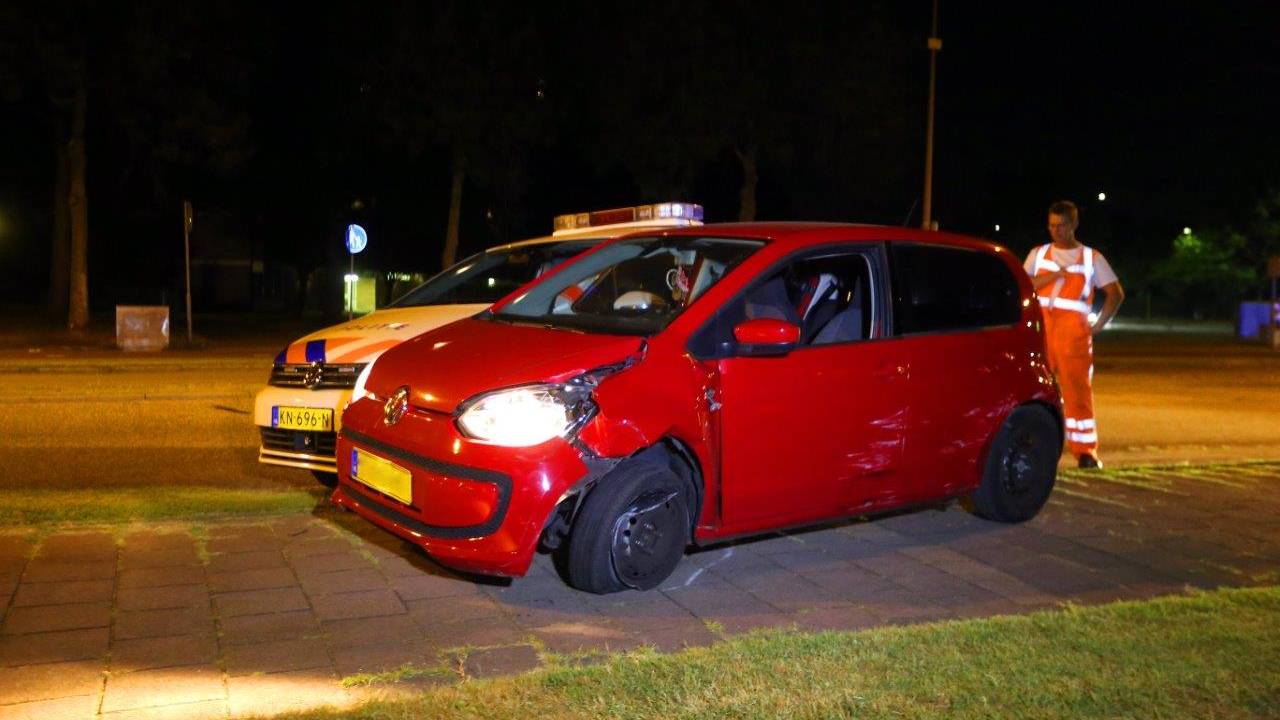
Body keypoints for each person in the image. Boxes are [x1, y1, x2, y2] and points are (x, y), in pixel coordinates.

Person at [1025, 200, 1124, 469]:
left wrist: (1100, 324)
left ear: (1074, 224)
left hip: (1073, 333)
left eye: (1062, 225)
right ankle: (1031, 445)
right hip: (1042, 329)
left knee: (1077, 392)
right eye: (1052, 225)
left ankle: (1085, 452)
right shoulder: (1039, 253)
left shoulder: (1092, 258)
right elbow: (1024, 285)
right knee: (1033, 390)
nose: (1056, 231)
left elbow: (1115, 293)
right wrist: (1056, 276)